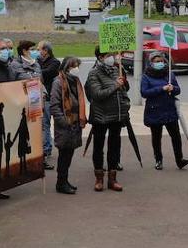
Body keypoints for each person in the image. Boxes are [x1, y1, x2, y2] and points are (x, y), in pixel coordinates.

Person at [85, 46, 129, 192]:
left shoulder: (117, 70)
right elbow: (97, 94)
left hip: (116, 116)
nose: (112, 58)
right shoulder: (94, 73)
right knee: (98, 146)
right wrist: (116, 86)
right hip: (100, 116)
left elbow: (123, 90)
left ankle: (112, 178)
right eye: (109, 55)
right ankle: (99, 178)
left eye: (113, 55)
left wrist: (124, 84)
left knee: (114, 147)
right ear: (101, 57)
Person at [140, 50, 188, 171]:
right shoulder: (146, 76)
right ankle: (158, 160)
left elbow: (178, 90)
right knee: (156, 137)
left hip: (169, 109)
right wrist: (161, 88)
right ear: (151, 63)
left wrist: (173, 88)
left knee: (176, 136)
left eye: (162, 61)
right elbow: (144, 93)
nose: (160, 63)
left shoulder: (169, 74)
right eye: (157, 61)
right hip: (154, 111)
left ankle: (180, 159)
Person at [48, 56, 87, 194]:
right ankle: (61, 183)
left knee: (69, 154)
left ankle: (64, 181)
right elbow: (54, 106)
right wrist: (64, 122)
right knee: (64, 155)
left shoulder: (75, 81)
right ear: (66, 68)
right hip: (65, 126)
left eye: (77, 66)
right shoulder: (58, 82)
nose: (76, 69)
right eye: (73, 66)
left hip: (75, 124)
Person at [37, 41, 61, 171]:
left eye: (39, 49)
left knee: (46, 123)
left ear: (46, 51)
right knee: (43, 123)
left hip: (49, 97)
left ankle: (46, 149)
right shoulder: (38, 62)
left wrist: (35, 69)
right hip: (41, 96)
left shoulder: (55, 62)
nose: (37, 51)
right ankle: (46, 146)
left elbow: (45, 73)